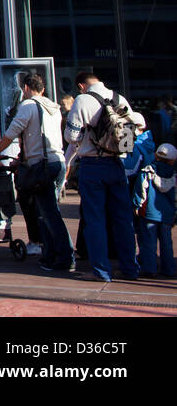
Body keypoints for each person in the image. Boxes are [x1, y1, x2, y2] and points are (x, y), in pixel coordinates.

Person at [0, 73, 73, 273]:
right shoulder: (53, 107)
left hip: (41, 166)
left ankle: (64, 257)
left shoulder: (27, 106)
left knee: (49, 215)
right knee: (48, 212)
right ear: (42, 89)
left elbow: (10, 134)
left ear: (26, 89)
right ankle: (51, 255)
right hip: (57, 162)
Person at [67, 76, 144, 281]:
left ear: (82, 86)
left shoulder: (82, 100)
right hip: (117, 166)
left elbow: (71, 137)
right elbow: (129, 137)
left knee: (95, 220)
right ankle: (130, 269)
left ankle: (101, 272)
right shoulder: (119, 98)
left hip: (92, 165)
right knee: (123, 220)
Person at [134, 143, 176, 278]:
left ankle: (149, 268)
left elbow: (141, 190)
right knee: (167, 243)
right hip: (167, 215)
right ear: (173, 159)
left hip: (149, 213)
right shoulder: (174, 175)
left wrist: (137, 205)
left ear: (156, 156)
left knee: (148, 242)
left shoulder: (148, 170)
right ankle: (169, 269)